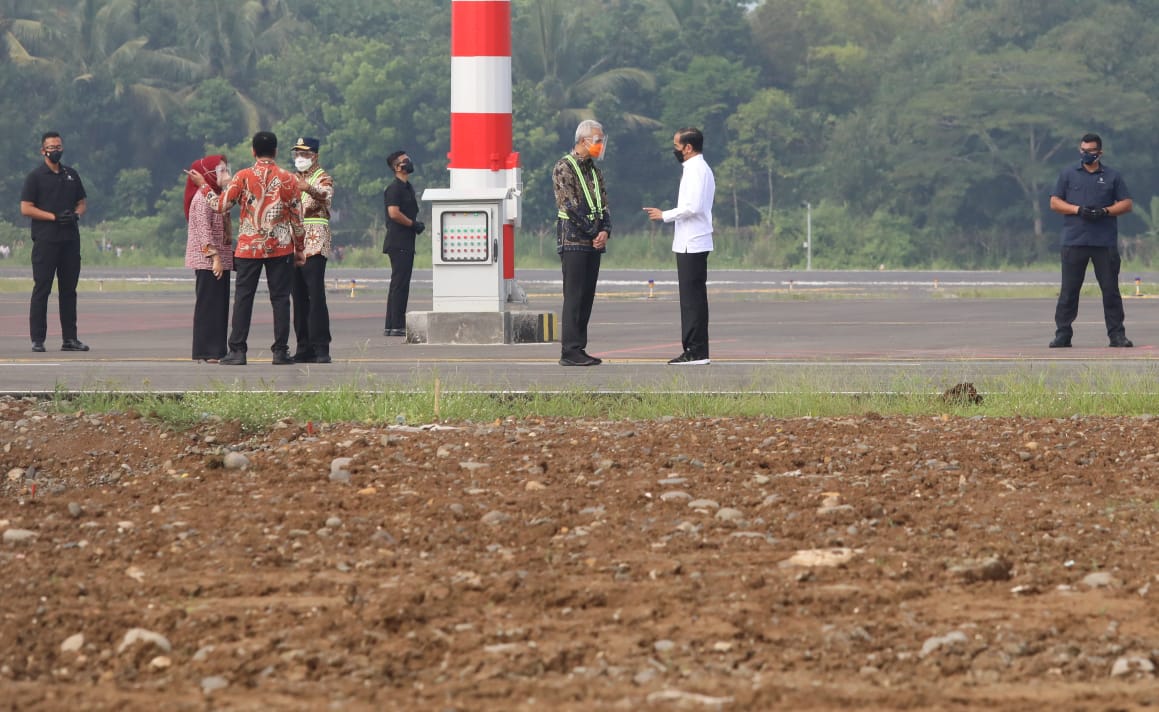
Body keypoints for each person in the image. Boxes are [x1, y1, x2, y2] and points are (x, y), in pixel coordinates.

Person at [188, 131, 306, 365]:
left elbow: (220, 206)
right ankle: (280, 351)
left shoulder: (242, 177)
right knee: (281, 299)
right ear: (276, 151)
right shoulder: (288, 179)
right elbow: (297, 218)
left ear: (253, 151)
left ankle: (238, 350)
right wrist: (300, 248)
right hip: (280, 247)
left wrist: (203, 186)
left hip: (249, 248)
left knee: (243, 298)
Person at [1048, 133, 1134, 348]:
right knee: (1069, 290)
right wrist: (1077, 209)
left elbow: (1126, 203)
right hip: (1074, 240)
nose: (1086, 154)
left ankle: (1117, 335)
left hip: (1103, 242)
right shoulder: (1068, 174)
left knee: (1110, 290)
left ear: (1100, 152)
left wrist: (1106, 211)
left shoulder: (1112, 176)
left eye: (1090, 151)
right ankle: (1063, 334)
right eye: (1083, 151)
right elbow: (1055, 202)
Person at [644, 127, 715, 365]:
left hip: (692, 242)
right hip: (690, 241)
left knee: (692, 300)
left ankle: (695, 351)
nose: (674, 150)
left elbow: (692, 207)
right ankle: (696, 349)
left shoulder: (696, 170)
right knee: (692, 298)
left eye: (676, 145)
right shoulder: (697, 169)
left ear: (688, 147)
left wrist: (665, 215)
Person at [20, 131, 89, 353]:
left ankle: (70, 338)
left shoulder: (71, 174)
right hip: (46, 241)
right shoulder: (35, 177)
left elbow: (82, 202)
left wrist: (76, 215)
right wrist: (53, 217)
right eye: (51, 147)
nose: (55, 150)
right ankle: (37, 339)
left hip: (70, 240)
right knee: (42, 289)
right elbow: (26, 208)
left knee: (69, 290)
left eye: (59, 146)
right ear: (43, 151)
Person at [553, 119, 611, 367]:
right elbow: (569, 206)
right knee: (574, 296)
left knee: (587, 296)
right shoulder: (564, 167)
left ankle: (580, 347)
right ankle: (570, 349)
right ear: (582, 141)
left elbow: (603, 204)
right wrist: (592, 232)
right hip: (574, 240)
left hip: (593, 241)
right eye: (596, 140)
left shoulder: (595, 171)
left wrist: (605, 230)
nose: (599, 145)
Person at [183, 155, 233, 363]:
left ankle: (216, 350)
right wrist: (215, 258)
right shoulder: (202, 198)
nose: (226, 174)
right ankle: (207, 350)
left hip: (218, 259)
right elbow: (204, 230)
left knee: (219, 306)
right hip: (208, 261)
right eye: (221, 170)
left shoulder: (214, 195)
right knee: (209, 306)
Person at [289, 137, 334, 364]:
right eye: (297, 154)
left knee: (315, 295)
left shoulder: (322, 177)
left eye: (304, 154)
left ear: (314, 156)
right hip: (295, 243)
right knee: (298, 297)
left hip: (315, 242)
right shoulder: (292, 179)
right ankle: (303, 345)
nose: (300, 158)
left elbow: (326, 196)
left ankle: (321, 347)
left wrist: (310, 189)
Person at [382, 150, 423, 338]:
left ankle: (392, 325)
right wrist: (413, 224)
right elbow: (393, 213)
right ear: (397, 167)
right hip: (398, 241)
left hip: (406, 241)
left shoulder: (407, 187)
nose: (409, 163)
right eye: (405, 161)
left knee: (399, 283)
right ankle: (396, 324)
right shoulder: (395, 188)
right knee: (399, 284)